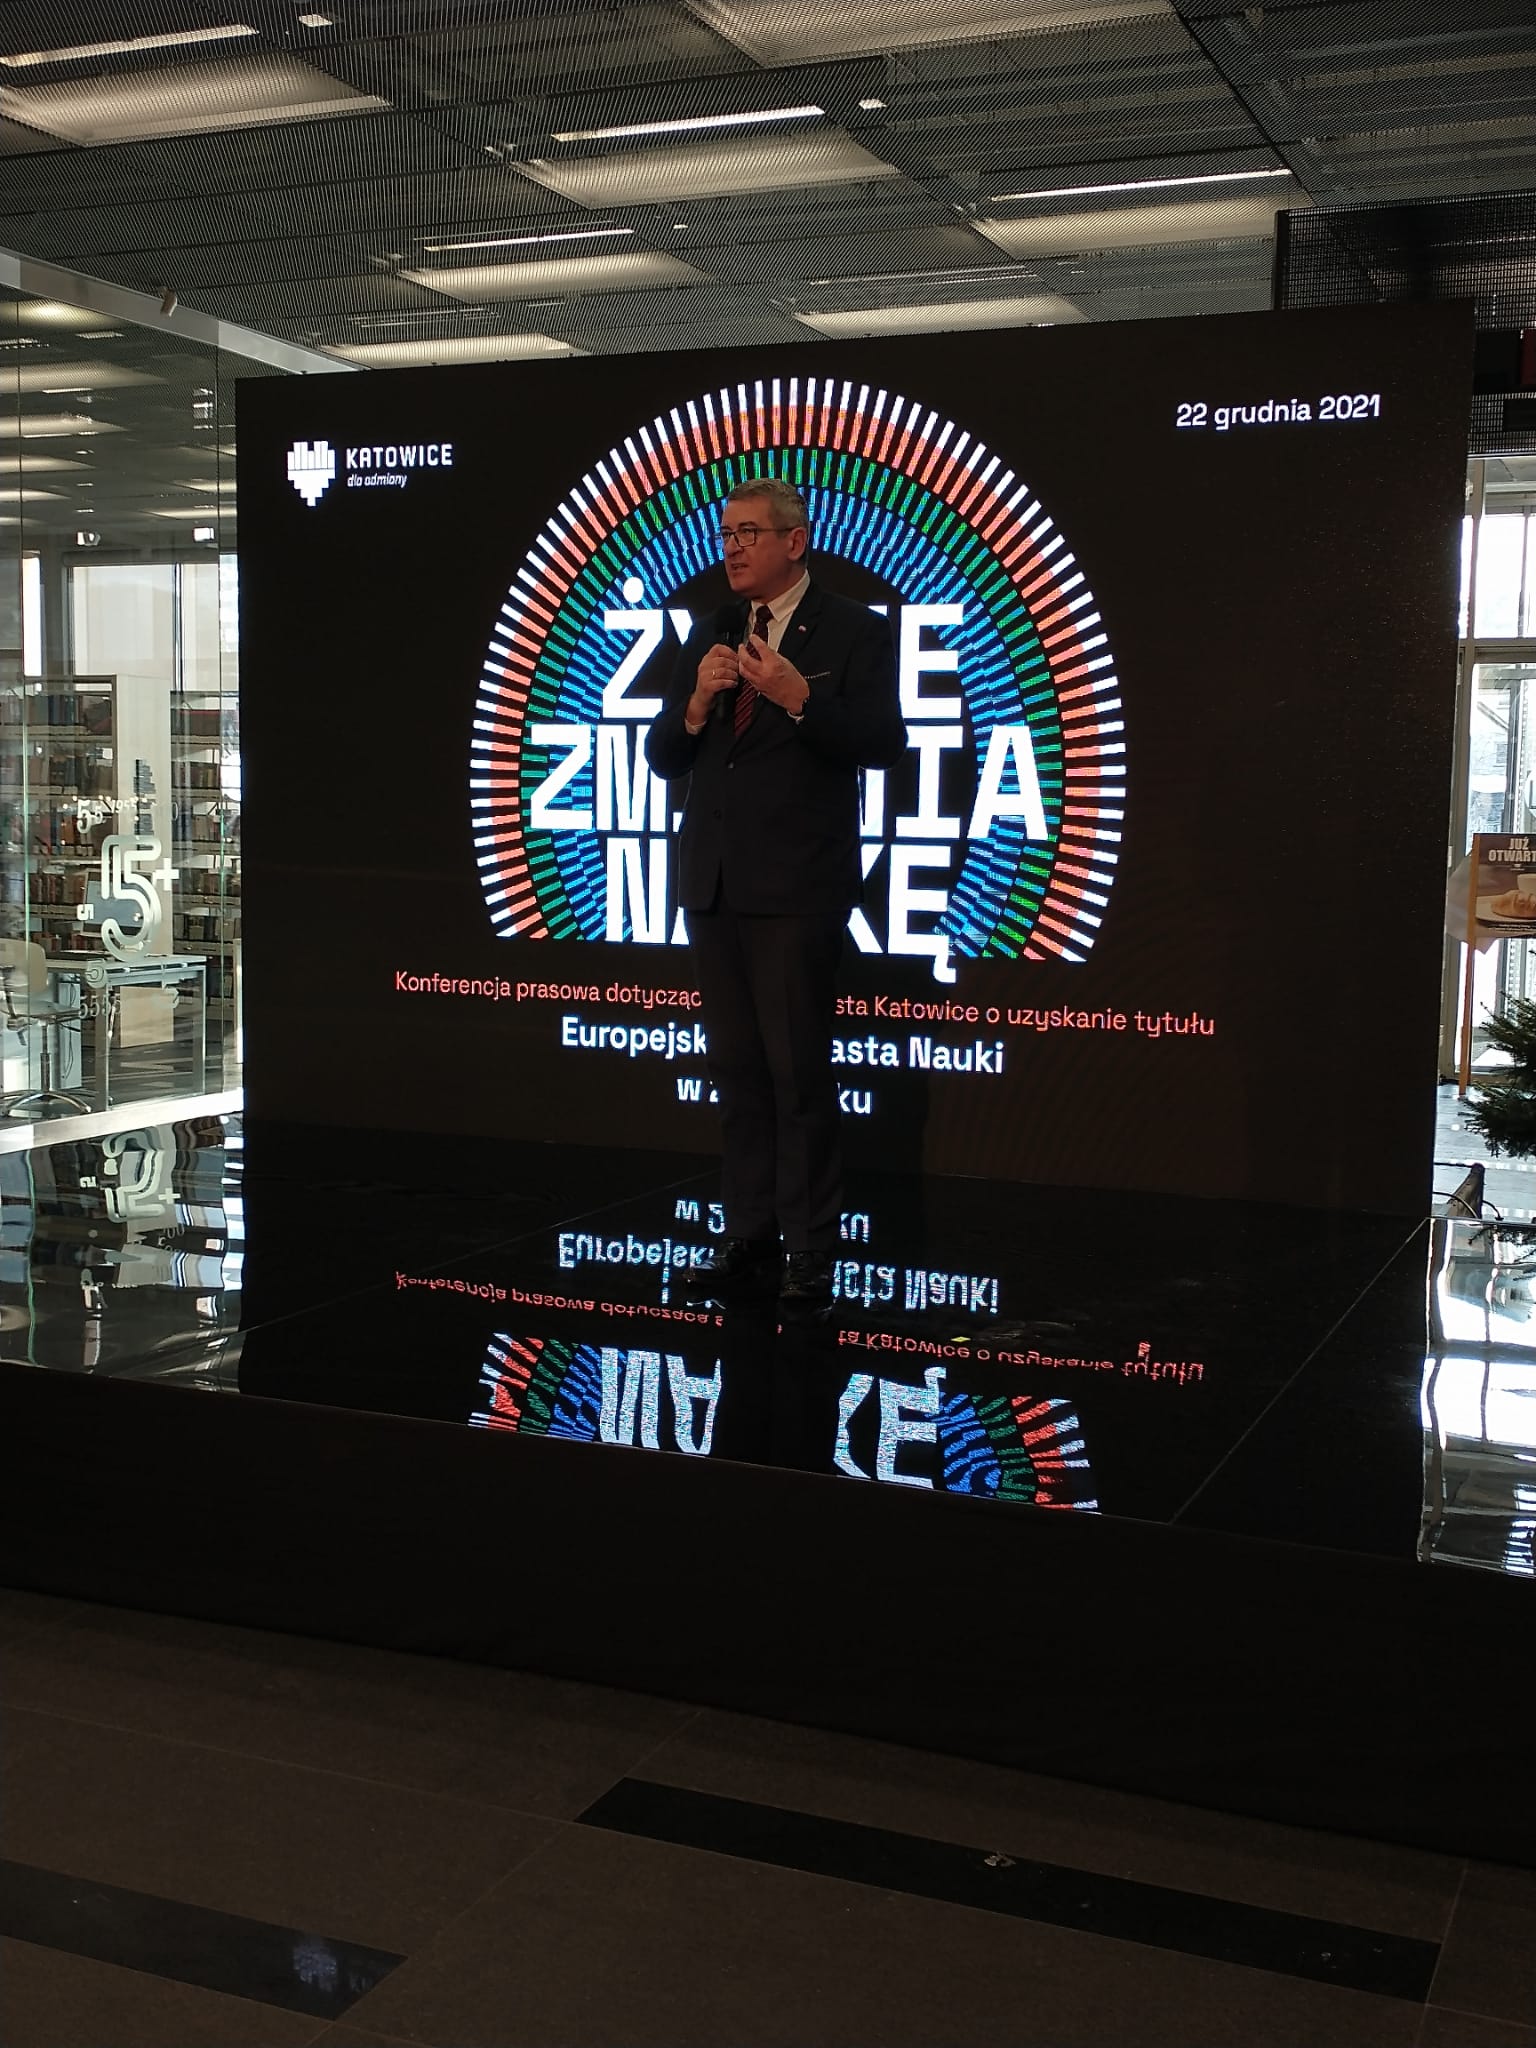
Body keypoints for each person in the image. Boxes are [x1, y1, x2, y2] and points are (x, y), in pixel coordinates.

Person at [644, 477, 906, 1300]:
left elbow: (883, 742)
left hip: (798, 886)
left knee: (797, 1077)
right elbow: (665, 756)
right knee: (737, 1074)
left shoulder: (855, 630)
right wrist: (695, 702)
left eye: (748, 533)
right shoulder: (711, 631)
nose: (732, 549)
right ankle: (748, 1235)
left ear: (795, 541)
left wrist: (800, 698)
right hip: (714, 884)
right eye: (725, 534)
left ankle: (811, 1250)